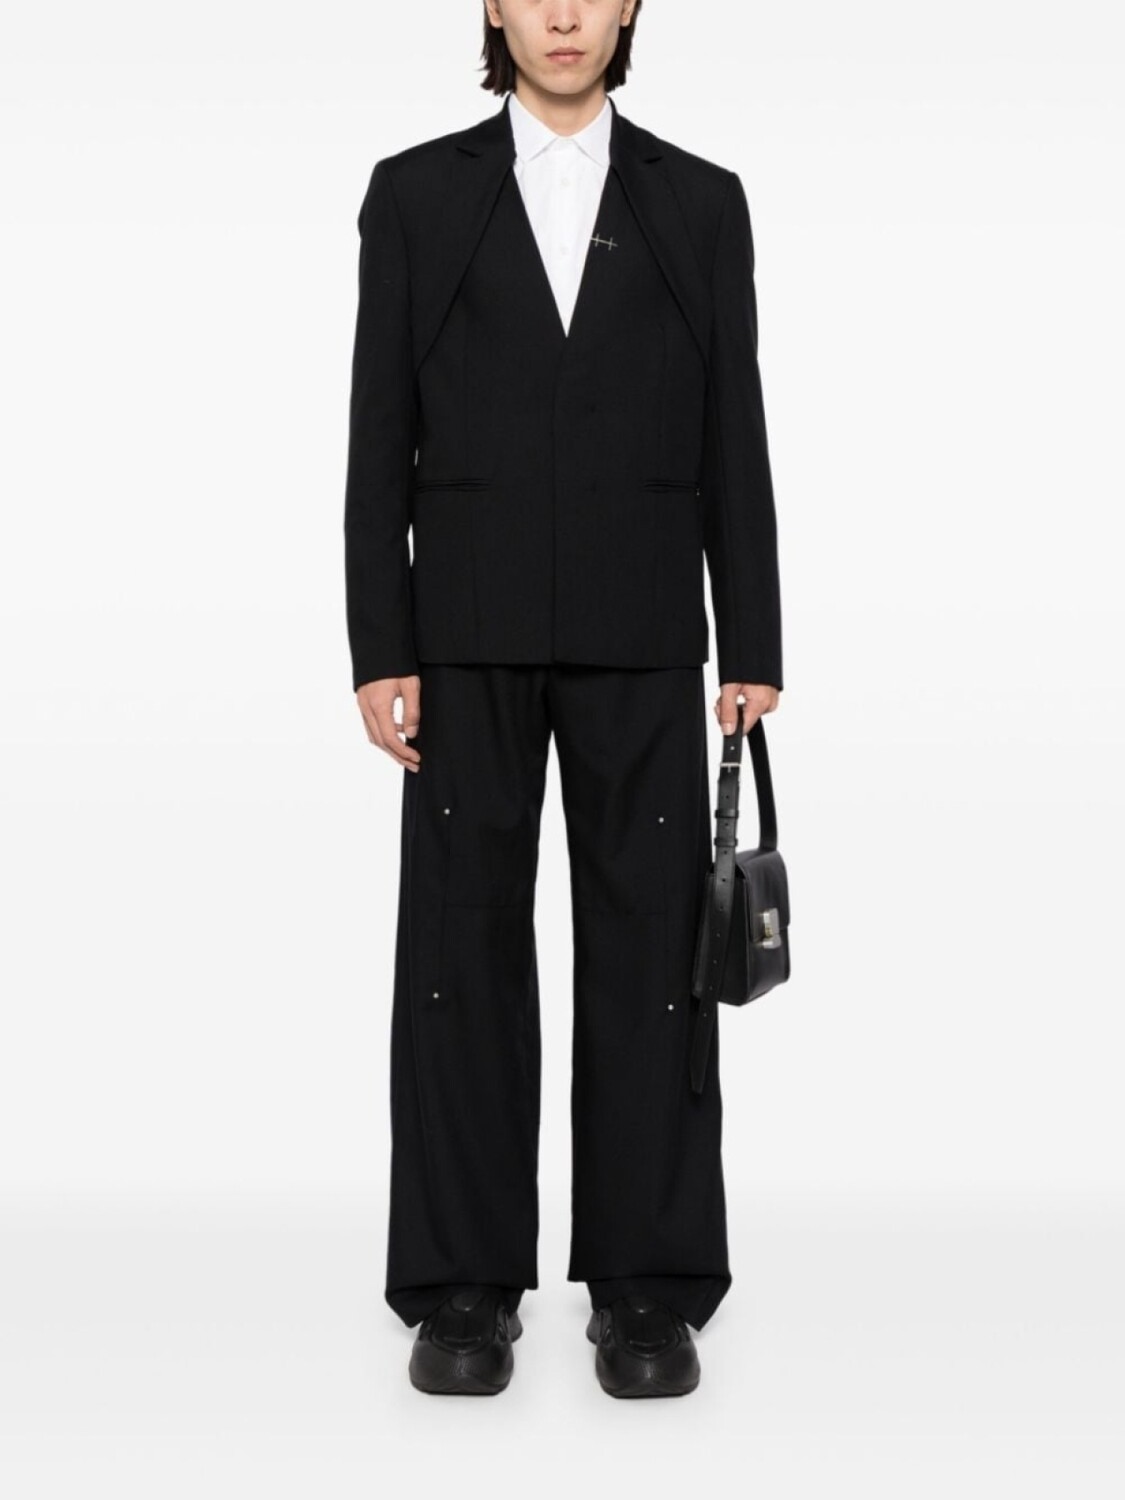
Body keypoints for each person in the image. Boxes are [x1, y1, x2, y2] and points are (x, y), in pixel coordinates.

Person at [342, 0, 783, 1398]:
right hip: (460, 635)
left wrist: (751, 638)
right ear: (492, 5)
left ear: (632, 4)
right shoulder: (415, 195)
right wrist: (378, 642)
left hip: (644, 628)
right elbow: (377, 431)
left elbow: (732, 424)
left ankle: (646, 1285)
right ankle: (461, 1286)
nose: (564, 14)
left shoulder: (698, 202)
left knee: (655, 962)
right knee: (457, 957)